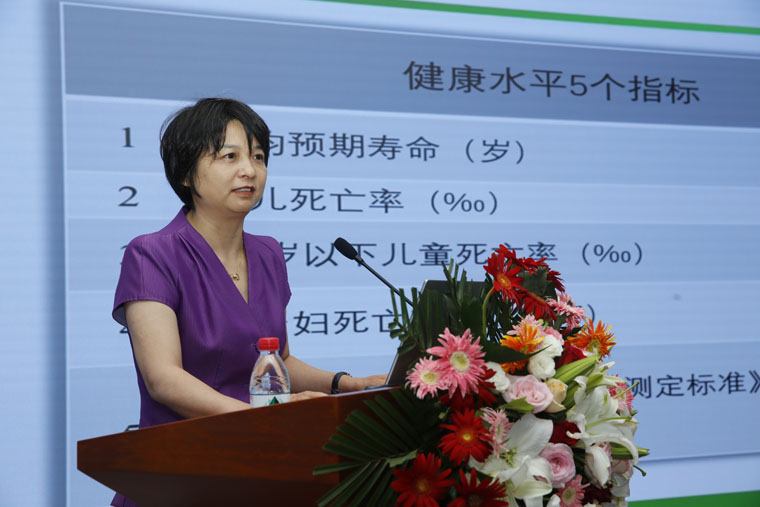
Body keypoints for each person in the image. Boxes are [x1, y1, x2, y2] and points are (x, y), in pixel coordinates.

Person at [111, 98, 385, 506]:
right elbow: (163, 379)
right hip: (179, 476)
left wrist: (347, 385)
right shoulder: (152, 254)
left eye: (258, 157)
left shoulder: (268, 253)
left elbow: (278, 362)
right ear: (186, 173)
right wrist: (268, 415)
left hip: (258, 472)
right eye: (229, 156)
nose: (249, 170)